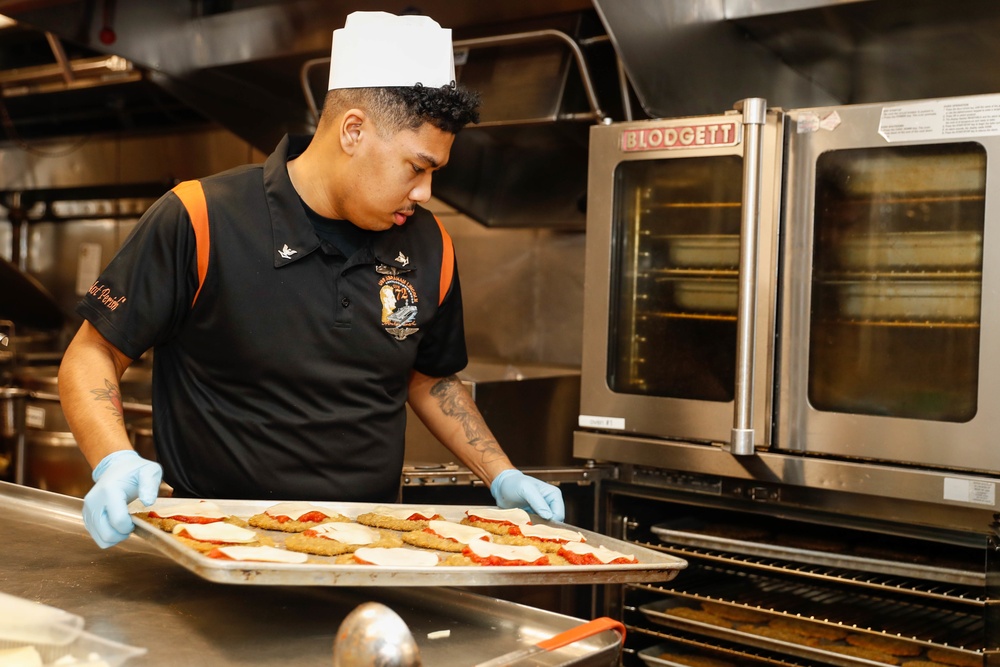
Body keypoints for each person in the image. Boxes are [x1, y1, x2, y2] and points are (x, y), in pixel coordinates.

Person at [58, 10, 565, 549]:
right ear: (354, 130)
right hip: (216, 548)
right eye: (417, 168)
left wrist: (500, 473)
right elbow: (93, 353)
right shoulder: (201, 217)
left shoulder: (429, 244)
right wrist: (113, 459)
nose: (425, 194)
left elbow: (429, 376)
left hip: (371, 551)